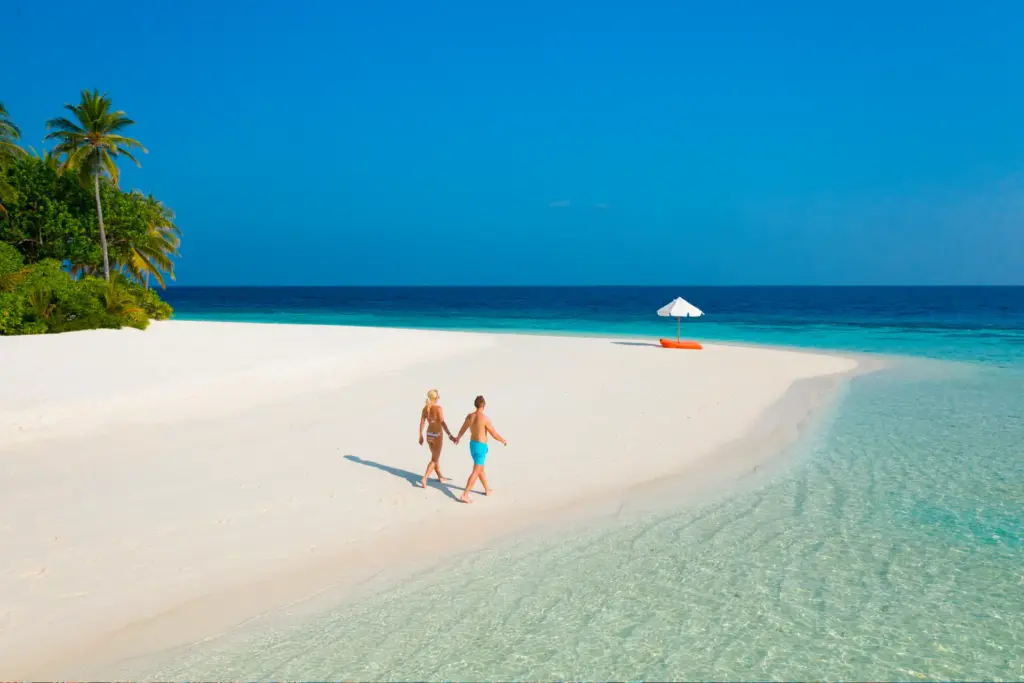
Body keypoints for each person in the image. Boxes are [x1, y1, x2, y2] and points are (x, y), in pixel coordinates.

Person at [454, 395, 507, 503]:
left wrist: (458, 437)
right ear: (484, 405)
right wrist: (503, 440)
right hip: (481, 447)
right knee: (476, 470)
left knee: (480, 468)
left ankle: (487, 490)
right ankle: (465, 494)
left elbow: (463, 428)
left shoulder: (469, 416)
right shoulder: (485, 419)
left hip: (472, 445)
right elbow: (493, 433)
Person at [418, 389, 454, 488]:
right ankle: (425, 478)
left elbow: (422, 422)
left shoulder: (425, 408)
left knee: (435, 457)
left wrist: (420, 435)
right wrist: (450, 435)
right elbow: (442, 422)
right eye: (438, 396)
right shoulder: (438, 408)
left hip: (429, 435)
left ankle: (440, 477)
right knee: (434, 459)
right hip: (437, 435)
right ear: (434, 398)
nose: (439, 398)